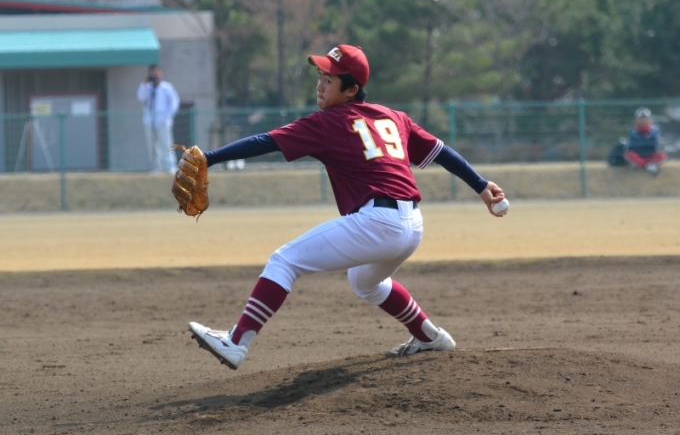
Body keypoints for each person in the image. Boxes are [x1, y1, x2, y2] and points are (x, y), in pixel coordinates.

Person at [187, 45, 507, 370]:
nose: (320, 85)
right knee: (363, 282)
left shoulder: (329, 122)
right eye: (320, 77)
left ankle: (236, 342)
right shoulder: (394, 117)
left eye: (329, 80)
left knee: (285, 260)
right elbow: (442, 152)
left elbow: (265, 141)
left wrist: (209, 158)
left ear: (351, 90)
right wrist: (482, 187)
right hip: (412, 225)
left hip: (378, 222)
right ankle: (429, 336)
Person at [136, 64, 180, 173]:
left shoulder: (167, 87)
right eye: (152, 72)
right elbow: (140, 97)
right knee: (152, 146)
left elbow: (174, 102)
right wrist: (144, 83)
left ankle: (170, 167)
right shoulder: (147, 87)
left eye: (157, 72)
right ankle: (155, 167)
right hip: (149, 121)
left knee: (166, 144)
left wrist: (167, 116)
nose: (155, 74)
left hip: (163, 121)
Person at [624, 107, 667, 175]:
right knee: (629, 155)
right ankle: (647, 166)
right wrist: (645, 143)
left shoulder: (655, 131)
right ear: (636, 119)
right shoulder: (632, 132)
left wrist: (641, 143)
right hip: (638, 156)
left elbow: (654, 145)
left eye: (645, 118)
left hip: (651, 155)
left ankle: (645, 165)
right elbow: (632, 147)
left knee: (662, 155)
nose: (643, 120)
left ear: (648, 119)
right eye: (640, 118)